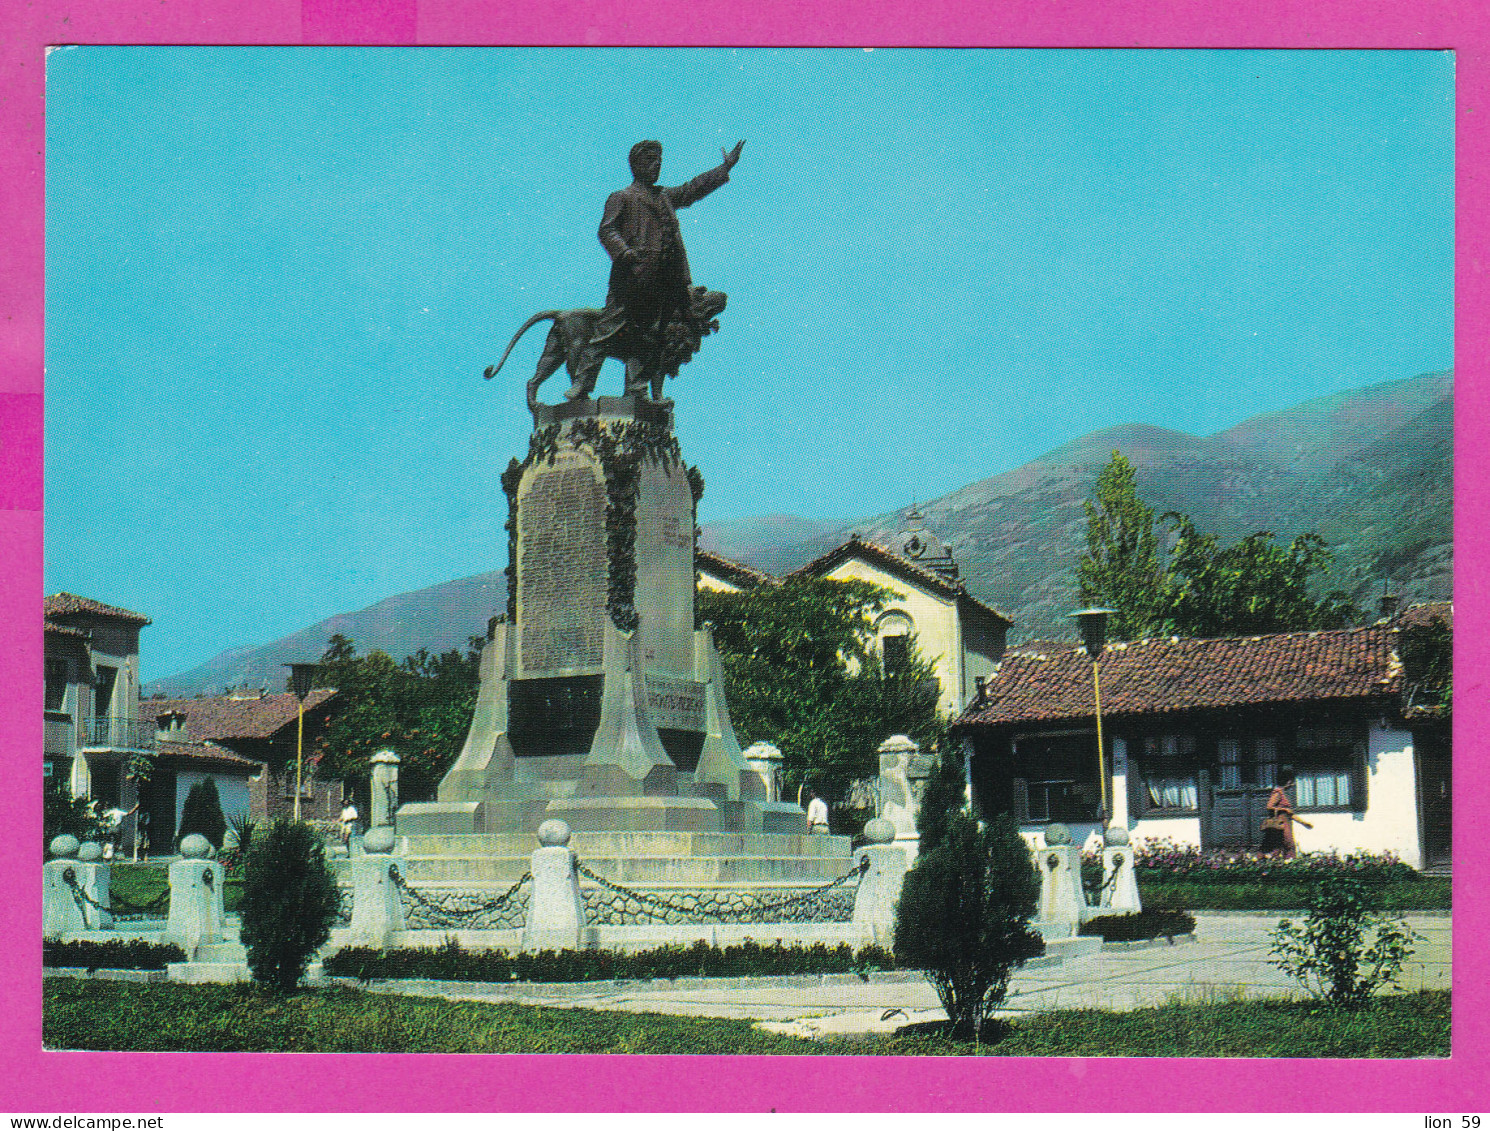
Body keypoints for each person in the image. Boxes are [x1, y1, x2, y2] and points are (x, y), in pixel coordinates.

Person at [571, 139, 744, 399]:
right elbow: (606, 229)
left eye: (659, 163)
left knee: (647, 337)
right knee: (607, 331)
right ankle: (581, 385)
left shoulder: (664, 196)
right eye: (650, 162)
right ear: (636, 166)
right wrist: (624, 252)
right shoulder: (622, 197)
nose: (656, 167)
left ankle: (636, 390)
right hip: (630, 279)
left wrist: (724, 168)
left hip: (658, 284)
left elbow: (691, 190)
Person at [1260, 771, 1311, 856]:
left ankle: (1287, 863)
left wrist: (1303, 823)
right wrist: (1284, 809)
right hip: (1280, 822)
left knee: (1286, 844)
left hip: (1286, 821)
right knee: (1286, 843)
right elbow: (1269, 806)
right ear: (1288, 781)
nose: (1292, 784)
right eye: (1291, 782)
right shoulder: (1278, 793)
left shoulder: (1283, 793)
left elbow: (1290, 814)